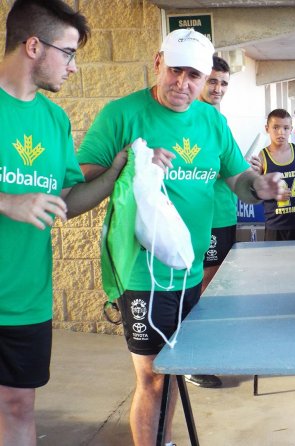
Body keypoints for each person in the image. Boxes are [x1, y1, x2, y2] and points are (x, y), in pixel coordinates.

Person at [76, 29, 286, 445]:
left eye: (194, 75)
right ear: (158, 64)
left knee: (172, 373)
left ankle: (163, 440)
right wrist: (133, 165)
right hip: (140, 271)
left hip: (189, 270)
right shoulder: (121, 114)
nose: (183, 83)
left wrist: (258, 187)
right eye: (175, 70)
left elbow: (236, 178)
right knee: (152, 376)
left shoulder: (210, 120)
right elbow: (83, 180)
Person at [0, 1, 127, 444]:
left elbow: (65, 203)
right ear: (33, 45)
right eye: (69, 52)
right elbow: (16, 202)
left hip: (25, 297)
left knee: (19, 406)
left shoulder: (54, 119)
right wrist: (5, 201)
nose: (73, 68)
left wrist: (116, 175)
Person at [185, 55, 232, 390]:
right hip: (207, 219)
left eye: (223, 83)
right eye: (212, 81)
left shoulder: (217, 118)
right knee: (202, 288)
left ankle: (203, 351)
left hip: (225, 214)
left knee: (214, 289)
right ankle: (191, 359)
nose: (217, 88)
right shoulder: (190, 119)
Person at [251, 108, 295, 241]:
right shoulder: (263, 156)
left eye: (285, 128)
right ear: (267, 128)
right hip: (276, 224)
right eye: (276, 127)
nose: (281, 132)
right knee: (275, 261)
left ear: (291, 129)